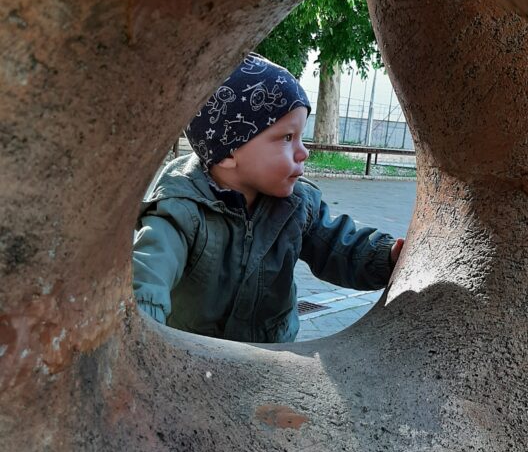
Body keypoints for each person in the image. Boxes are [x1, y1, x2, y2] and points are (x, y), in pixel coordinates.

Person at [133, 53, 404, 343]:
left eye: (300, 137)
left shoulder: (297, 205)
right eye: (287, 138)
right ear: (228, 153)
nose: (304, 152)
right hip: (198, 353)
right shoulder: (181, 208)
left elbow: (340, 247)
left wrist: (386, 257)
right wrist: (143, 331)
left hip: (271, 351)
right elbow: (149, 273)